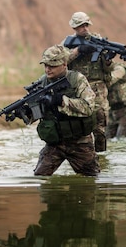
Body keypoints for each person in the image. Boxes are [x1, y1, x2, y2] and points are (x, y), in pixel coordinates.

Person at [20, 45, 100, 176]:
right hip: (55, 143)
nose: (47, 69)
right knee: (40, 177)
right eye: (45, 65)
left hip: (79, 142)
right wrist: (26, 113)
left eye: (52, 66)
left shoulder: (77, 80)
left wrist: (62, 101)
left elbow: (88, 107)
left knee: (91, 180)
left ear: (64, 64)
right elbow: (37, 113)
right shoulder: (42, 82)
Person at [61, 11, 114, 152]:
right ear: (74, 28)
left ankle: (101, 158)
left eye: (86, 25)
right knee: (79, 127)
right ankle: (82, 157)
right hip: (77, 89)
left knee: (100, 129)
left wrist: (108, 60)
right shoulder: (68, 43)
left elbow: (108, 69)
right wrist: (78, 51)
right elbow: (60, 62)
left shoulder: (98, 40)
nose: (84, 28)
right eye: (80, 26)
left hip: (98, 89)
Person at [106, 63, 126, 139]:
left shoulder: (119, 69)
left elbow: (110, 80)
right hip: (113, 110)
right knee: (107, 139)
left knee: (122, 139)